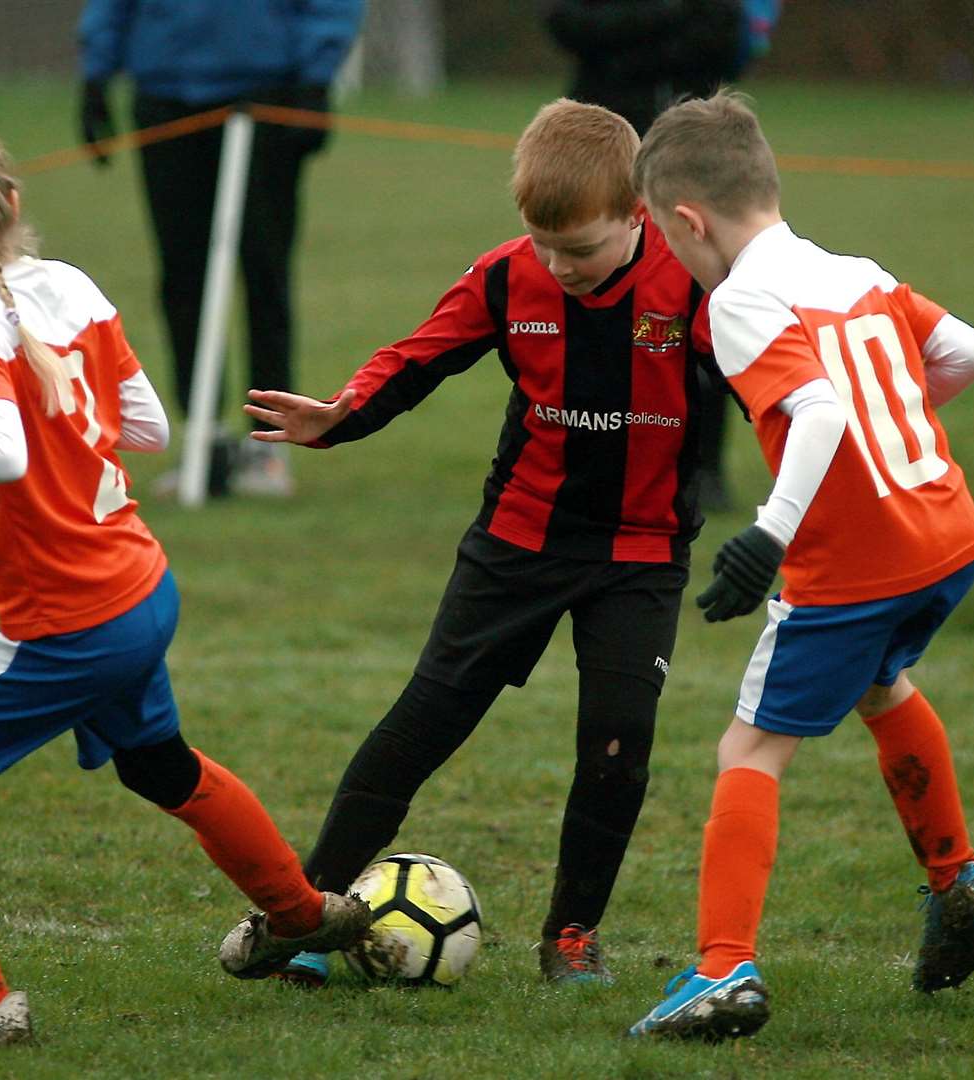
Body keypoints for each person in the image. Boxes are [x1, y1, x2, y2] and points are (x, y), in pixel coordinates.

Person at [0, 117, 369, 1048]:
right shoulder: (68, 285)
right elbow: (146, 430)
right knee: (159, 764)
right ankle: (302, 918)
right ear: (9, 201)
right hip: (140, 586)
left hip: (71, 620)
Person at [238, 99, 718, 988]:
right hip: (518, 540)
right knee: (422, 724)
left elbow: (775, 378)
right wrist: (340, 418)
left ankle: (570, 935)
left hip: (640, 552)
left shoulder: (693, 283)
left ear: (638, 214)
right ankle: (306, 913)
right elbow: (416, 356)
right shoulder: (506, 279)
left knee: (618, 748)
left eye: (581, 249)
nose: (559, 267)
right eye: (544, 245)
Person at [627, 91, 974, 1042]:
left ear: (688, 220)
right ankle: (956, 878)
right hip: (947, 540)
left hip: (855, 564)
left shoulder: (742, 299)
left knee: (748, 751)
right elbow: (967, 350)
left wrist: (768, 532)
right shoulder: (851, 268)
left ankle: (723, 971)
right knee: (883, 684)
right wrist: (901, 428)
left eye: (668, 243)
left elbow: (822, 413)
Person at [75, 0, 366, 498]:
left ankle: (267, 443)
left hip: (266, 92)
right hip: (165, 93)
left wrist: (317, 75)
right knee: (181, 277)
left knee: (265, 270)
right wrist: (97, 72)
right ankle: (203, 437)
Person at [546, 0, 782, 513]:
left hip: (697, 155)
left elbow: (723, 36)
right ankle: (600, 461)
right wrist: (667, 19)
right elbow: (569, 23)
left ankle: (703, 468)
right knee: (600, 303)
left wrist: (628, 44)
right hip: (603, 147)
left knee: (708, 311)